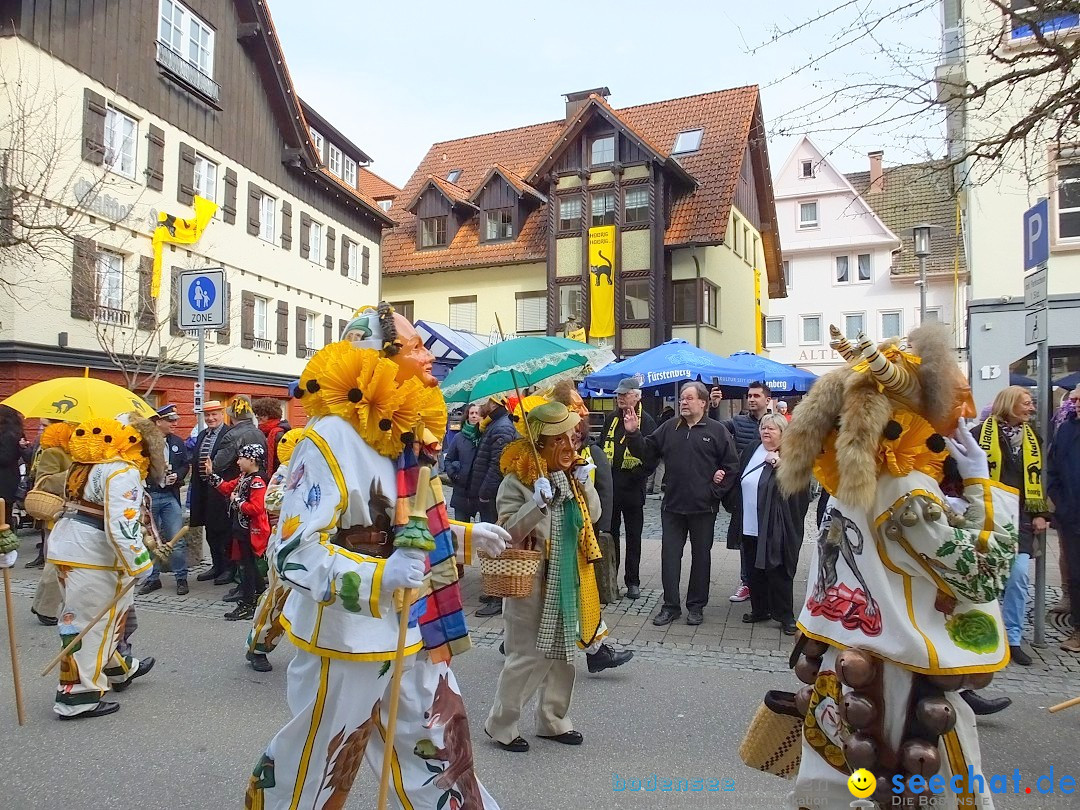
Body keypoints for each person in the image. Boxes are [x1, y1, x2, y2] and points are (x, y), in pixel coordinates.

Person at [246, 303, 508, 809]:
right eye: (414, 346)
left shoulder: (401, 432)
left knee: (438, 740)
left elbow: (402, 526)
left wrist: (464, 536)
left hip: (414, 623)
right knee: (320, 756)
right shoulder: (330, 438)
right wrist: (381, 575)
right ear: (378, 359)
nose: (428, 355)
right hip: (344, 636)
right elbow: (293, 552)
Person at [774, 325, 1016, 809]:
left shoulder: (844, 487)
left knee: (838, 788)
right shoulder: (907, 494)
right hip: (898, 686)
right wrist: (982, 486)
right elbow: (984, 569)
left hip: (840, 673)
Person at [485, 400, 631, 754]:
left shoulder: (572, 474)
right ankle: (501, 724)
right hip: (531, 580)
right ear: (541, 444)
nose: (570, 446)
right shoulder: (515, 481)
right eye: (560, 440)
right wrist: (536, 504)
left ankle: (553, 719)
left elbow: (593, 515)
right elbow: (506, 533)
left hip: (569, 574)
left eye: (572, 437)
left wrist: (587, 485)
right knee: (527, 654)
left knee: (564, 654)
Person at [47, 412, 163, 718]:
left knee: (90, 619)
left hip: (67, 547)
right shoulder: (121, 470)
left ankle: (118, 669)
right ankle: (78, 697)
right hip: (94, 555)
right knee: (90, 623)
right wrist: (140, 564)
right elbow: (120, 526)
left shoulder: (86, 463)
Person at [623, 381, 739, 627]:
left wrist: (715, 491)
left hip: (703, 508)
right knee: (670, 558)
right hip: (673, 506)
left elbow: (731, 466)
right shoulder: (668, 428)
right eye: (681, 399)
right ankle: (670, 606)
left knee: (701, 559)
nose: (683, 402)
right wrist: (633, 434)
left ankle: (696, 607)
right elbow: (647, 454)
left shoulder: (717, 431)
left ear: (703, 403)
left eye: (688, 398)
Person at [972, 385, 1050, 667]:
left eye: (1031, 404)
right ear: (1009, 404)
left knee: (1017, 576)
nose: (1031, 408)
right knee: (988, 578)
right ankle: (985, 633)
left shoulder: (1033, 438)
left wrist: (1041, 513)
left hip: (1021, 519)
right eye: (1026, 403)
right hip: (988, 517)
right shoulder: (980, 434)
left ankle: (1013, 638)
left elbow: (1038, 478)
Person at [723, 414, 809, 635]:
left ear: (783, 432)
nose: (766, 432)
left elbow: (800, 491)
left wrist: (781, 466)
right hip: (750, 521)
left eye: (772, 428)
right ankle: (760, 609)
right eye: (763, 427)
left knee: (777, 569)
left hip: (776, 525)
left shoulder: (792, 455)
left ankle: (786, 616)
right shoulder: (752, 449)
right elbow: (739, 477)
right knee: (752, 568)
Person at [550, 381, 620, 606]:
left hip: (588, 529)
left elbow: (605, 493)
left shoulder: (593, 453)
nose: (585, 411)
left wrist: (604, 529)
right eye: (578, 405)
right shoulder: (550, 458)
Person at [246, 427, 304, 672]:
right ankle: (258, 646)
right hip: (286, 547)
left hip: (316, 546)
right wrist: (302, 489)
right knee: (277, 598)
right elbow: (271, 500)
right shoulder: (285, 471)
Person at [601, 376, 656, 600]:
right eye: (619, 394)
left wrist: (636, 477)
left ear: (637, 396)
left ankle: (632, 581)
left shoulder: (648, 421)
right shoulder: (611, 419)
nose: (620, 397)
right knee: (610, 535)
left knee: (634, 537)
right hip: (611, 488)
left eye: (625, 394)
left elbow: (651, 459)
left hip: (633, 489)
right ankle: (610, 577)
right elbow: (602, 446)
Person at [722, 381, 772, 604]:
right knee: (746, 537)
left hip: (769, 491)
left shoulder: (776, 424)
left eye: (756, 396)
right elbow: (715, 429)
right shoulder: (738, 422)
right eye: (749, 396)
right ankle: (747, 582)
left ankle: (767, 582)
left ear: (767, 400)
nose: (751, 399)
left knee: (769, 536)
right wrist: (714, 406)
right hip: (744, 489)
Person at [469, 395, 518, 617]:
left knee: (498, 545)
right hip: (491, 494)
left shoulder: (501, 427)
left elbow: (498, 465)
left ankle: (499, 597)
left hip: (495, 496)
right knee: (492, 544)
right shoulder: (495, 424)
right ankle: (494, 590)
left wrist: (485, 492)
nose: (480, 406)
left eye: (485, 401)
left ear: (495, 402)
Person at [210, 444, 270, 621]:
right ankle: (259, 594)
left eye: (241, 458)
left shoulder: (257, 481)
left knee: (247, 566)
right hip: (242, 529)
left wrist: (237, 502)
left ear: (251, 460)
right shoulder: (245, 477)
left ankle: (248, 603)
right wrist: (211, 475)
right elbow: (228, 487)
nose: (237, 461)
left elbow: (257, 508)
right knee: (247, 564)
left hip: (251, 531)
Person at [138, 405, 192, 596]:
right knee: (150, 539)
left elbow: (185, 465)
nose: (175, 424)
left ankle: (181, 578)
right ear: (158, 421)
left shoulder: (177, 441)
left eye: (175, 420)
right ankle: (152, 579)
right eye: (170, 420)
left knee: (176, 539)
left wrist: (177, 476)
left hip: (170, 496)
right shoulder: (143, 443)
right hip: (150, 496)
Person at [29, 421, 76, 625]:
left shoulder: (78, 454)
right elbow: (45, 481)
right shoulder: (53, 453)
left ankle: (42, 604)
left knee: (62, 562)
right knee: (57, 562)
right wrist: (73, 473)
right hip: (59, 513)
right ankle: (45, 608)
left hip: (75, 513)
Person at [1047, 390, 1080, 654]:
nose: (1074, 403)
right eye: (1075, 399)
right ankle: (1078, 631)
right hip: (1073, 517)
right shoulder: (1067, 430)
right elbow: (1053, 469)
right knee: (1076, 573)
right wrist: (1062, 502)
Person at [189, 401, 234, 585]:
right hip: (204, 490)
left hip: (221, 490)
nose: (210, 418)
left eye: (214, 414)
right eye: (207, 415)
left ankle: (228, 568)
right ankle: (216, 565)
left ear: (222, 414)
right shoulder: (202, 435)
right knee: (210, 530)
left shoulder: (228, 434)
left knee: (224, 531)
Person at [445, 403, 482, 521]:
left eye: (477, 413)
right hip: (461, 491)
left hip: (480, 492)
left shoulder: (486, 436)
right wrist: (454, 475)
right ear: (467, 416)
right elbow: (448, 460)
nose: (474, 416)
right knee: (460, 530)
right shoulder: (459, 437)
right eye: (472, 413)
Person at [0, 404, 25, 529]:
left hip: (4, 480)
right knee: (5, 513)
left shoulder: (9, 434)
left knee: (3, 515)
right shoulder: (16, 432)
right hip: (10, 478)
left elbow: (5, 457)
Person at [253, 397, 290, 475]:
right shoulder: (265, 432)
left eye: (261, 414)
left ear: (269, 415)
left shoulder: (279, 434)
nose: (257, 416)